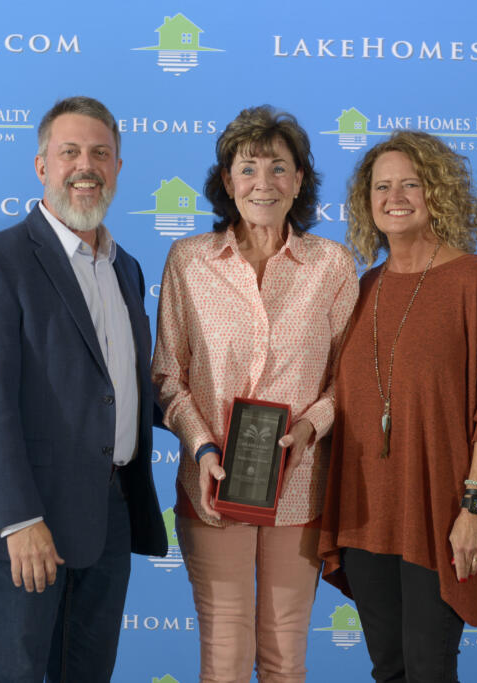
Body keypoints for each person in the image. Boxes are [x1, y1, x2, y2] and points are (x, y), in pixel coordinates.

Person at [0, 96, 167, 683]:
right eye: (69, 152)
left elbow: (124, 388)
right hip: (30, 521)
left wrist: (217, 420)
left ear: (119, 167)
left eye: (100, 153)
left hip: (111, 513)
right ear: (42, 165)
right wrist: (19, 521)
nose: (85, 165)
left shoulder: (128, 269)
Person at [152, 105, 358, 682]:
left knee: (285, 659)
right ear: (227, 183)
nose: (262, 183)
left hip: (300, 489)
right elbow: (168, 374)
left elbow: (350, 382)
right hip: (211, 488)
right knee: (224, 658)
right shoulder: (189, 261)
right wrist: (202, 447)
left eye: (278, 168)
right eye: (247, 168)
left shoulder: (332, 266)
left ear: (299, 181)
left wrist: (311, 426)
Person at [318, 130, 477, 682]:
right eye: (382, 186)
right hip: (365, 518)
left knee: (430, 669)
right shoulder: (364, 288)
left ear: (437, 192)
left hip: (438, 514)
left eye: (410, 183)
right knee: (389, 669)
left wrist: (474, 511)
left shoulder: (471, 281)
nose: (395, 196)